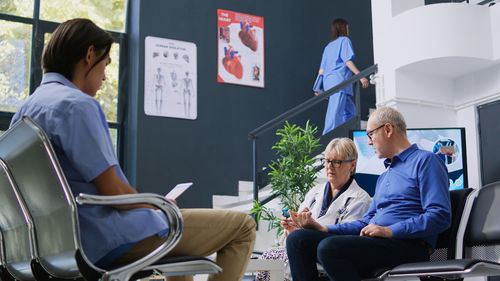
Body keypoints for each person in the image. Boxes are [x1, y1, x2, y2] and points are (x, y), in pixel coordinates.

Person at [10, 18, 255, 281]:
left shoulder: (22, 116)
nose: (104, 76)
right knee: (243, 226)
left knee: (177, 252)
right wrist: (158, 206)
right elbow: (113, 191)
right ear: (89, 55)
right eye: (105, 65)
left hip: (52, 248)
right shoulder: (77, 106)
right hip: (102, 241)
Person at [286, 107, 452, 281]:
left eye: (370, 134)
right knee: (298, 240)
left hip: (408, 244)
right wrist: (324, 228)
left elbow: (440, 215)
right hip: (379, 242)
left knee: (329, 248)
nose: (370, 142)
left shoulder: (426, 161)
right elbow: (366, 221)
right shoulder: (384, 177)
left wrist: (390, 231)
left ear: (388, 129)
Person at [256, 138, 372, 281]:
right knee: (269, 255)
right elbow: (296, 236)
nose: (329, 166)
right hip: (301, 247)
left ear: (352, 165)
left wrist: (312, 229)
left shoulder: (360, 198)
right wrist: (292, 228)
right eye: (327, 161)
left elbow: (347, 240)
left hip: (328, 255)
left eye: (336, 162)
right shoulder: (315, 192)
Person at [315, 18, 369, 135]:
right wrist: (361, 76)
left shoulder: (328, 47)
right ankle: (327, 143)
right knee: (334, 115)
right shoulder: (344, 40)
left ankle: (347, 137)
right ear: (343, 28)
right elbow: (347, 61)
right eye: (347, 27)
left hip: (330, 83)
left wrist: (317, 87)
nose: (348, 29)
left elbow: (321, 71)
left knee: (351, 113)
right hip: (339, 82)